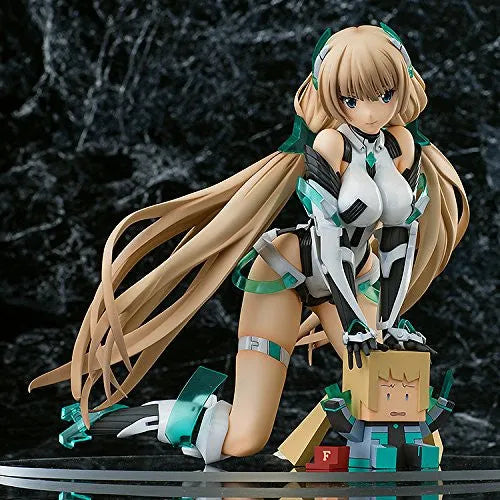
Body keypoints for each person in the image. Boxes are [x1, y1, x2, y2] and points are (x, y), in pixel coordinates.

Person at [29, 24, 469, 464]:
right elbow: (330, 244)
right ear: (332, 96)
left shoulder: (402, 144)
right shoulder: (331, 143)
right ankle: (117, 420)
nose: (370, 112)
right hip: (290, 272)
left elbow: (398, 241)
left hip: (356, 275)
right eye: (352, 100)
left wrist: (387, 322)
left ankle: (382, 461)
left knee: (396, 380)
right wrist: (357, 323)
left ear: (401, 87)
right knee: (243, 439)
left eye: (383, 95)